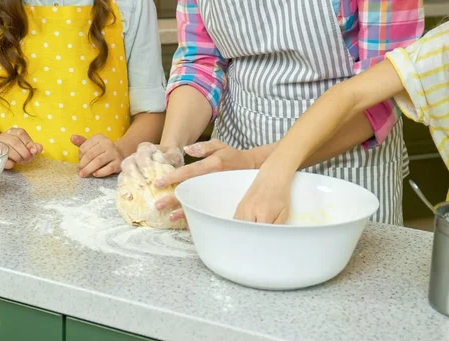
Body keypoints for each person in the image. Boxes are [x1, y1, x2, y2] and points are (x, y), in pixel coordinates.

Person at [120, 0, 424, 225]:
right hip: (234, 160)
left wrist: (262, 162)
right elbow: (200, 60)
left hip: (346, 168)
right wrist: (170, 148)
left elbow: (386, 88)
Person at [202, 20, 448, 224]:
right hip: (249, 144)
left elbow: (371, 100)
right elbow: (349, 95)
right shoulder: (439, 50)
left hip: (355, 164)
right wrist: (264, 165)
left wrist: (265, 164)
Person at [0, 0, 166, 177]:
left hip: (104, 186)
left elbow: (152, 113)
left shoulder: (134, 4)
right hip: (8, 191)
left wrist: (120, 150)